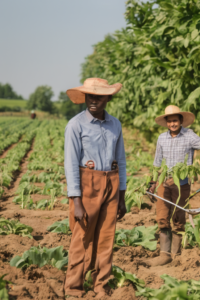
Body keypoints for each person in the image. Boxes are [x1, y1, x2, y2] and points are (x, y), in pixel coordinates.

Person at [63, 78, 127, 298]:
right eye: (90, 96)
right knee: (81, 238)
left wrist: (122, 196)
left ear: (107, 98)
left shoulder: (115, 124)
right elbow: (71, 164)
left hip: (111, 182)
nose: (93, 101)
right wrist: (76, 201)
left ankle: (101, 285)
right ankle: (73, 288)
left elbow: (121, 160)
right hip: (86, 183)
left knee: (106, 238)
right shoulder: (75, 125)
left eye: (98, 97)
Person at [147, 105, 200, 266]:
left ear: (181, 121)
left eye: (175, 121)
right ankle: (164, 254)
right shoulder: (162, 138)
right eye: (170, 121)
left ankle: (176, 255)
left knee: (178, 217)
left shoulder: (189, 136)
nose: (172, 124)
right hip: (164, 180)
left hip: (181, 183)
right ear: (166, 123)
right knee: (162, 215)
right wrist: (153, 182)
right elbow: (156, 162)